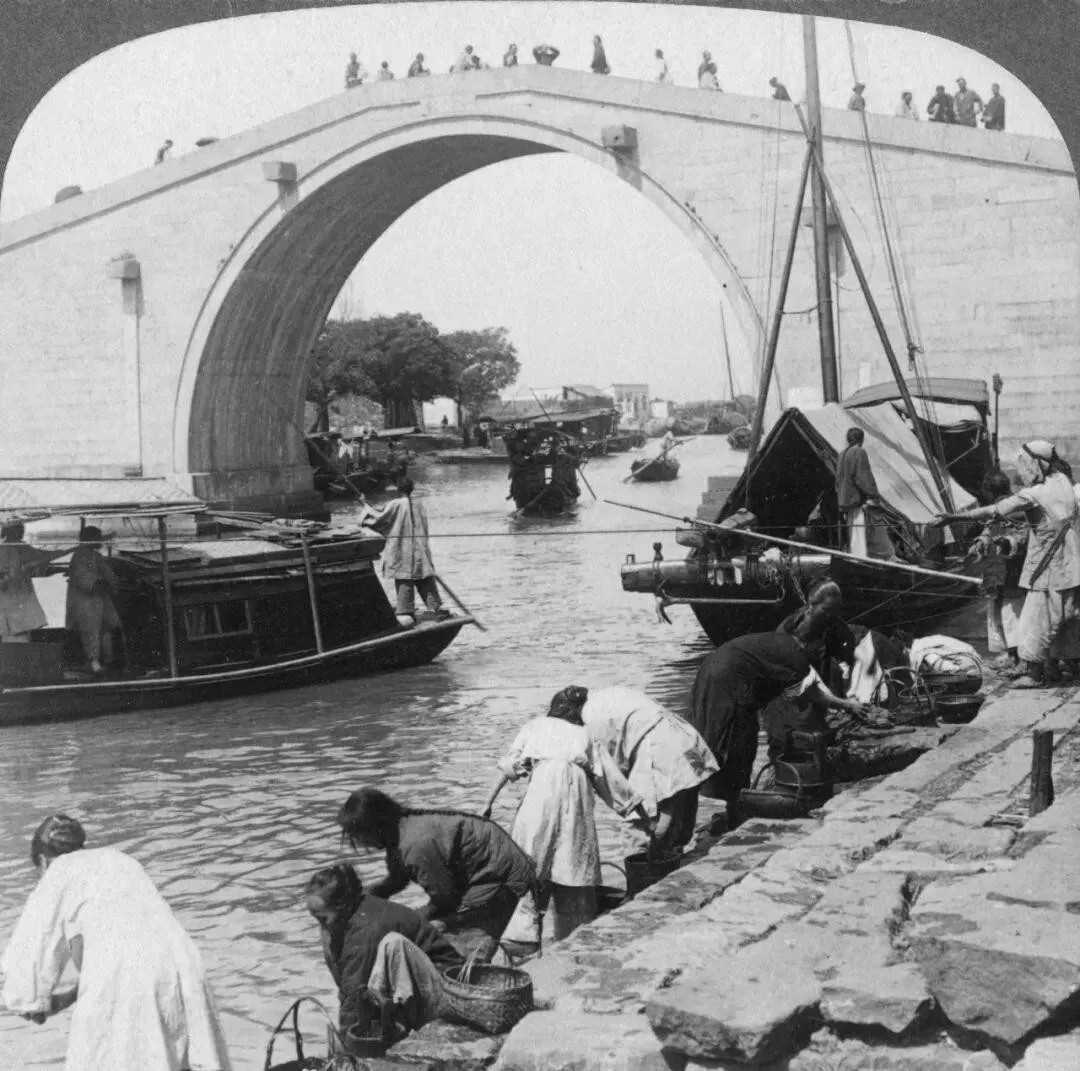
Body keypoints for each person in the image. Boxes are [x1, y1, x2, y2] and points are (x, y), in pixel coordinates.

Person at [0, 815, 231, 1071]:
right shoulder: (122, 861)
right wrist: (76, 991)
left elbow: (25, 986)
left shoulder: (58, 871)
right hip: (186, 969)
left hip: (127, 982)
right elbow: (128, 939)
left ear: (43, 861)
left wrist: (35, 1003)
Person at [483, 686, 646, 943]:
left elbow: (508, 768)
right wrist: (634, 809)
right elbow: (607, 779)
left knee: (530, 861)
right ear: (574, 710)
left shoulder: (535, 726)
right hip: (574, 797)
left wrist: (487, 804)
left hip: (542, 796)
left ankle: (521, 939)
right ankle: (571, 935)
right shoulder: (585, 734)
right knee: (573, 865)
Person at [690, 614, 867, 829]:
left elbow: (804, 689)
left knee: (723, 745)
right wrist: (846, 705)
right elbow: (809, 693)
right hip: (726, 686)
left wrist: (842, 704)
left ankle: (727, 808)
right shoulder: (794, 655)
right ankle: (733, 813)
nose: (820, 653)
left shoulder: (783, 643)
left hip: (712, 674)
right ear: (817, 641)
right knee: (734, 746)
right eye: (820, 647)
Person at [934, 441, 1080, 689]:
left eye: (1024, 465)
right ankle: (1056, 669)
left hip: (1047, 568)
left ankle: (1035, 675)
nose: (1022, 472)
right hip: (1071, 565)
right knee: (1063, 620)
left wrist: (954, 517)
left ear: (1035, 464)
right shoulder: (1063, 482)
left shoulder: (1034, 494)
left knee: (1035, 621)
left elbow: (995, 510)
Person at [337, 788, 538, 962]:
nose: (361, 843)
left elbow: (445, 900)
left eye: (360, 836)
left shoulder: (415, 844)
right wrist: (369, 897)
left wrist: (411, 919)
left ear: (377, 826)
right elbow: (398, 879)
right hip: (486, 877)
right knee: (427, 931)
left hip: (504, 882)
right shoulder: (400, 831)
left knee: (450, 950)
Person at [305, 863, 461, 1036]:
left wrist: (347, 1036)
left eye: (322, 918)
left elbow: (355, 990)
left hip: (446, 986)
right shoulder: (350, 913)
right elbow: (347, 984)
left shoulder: (366, 931)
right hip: (419, 980)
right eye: (314, 917)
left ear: (342, 906)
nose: (320, 924)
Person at [579, 685, 718, 853]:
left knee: (642, 823)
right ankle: (674, 853)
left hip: (655, 748)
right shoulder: (605, 695)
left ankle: (649, 862)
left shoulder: (588, 722)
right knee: (683, 797)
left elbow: (609, 771)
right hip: (683, 736)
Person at [361, 476, 448, 625]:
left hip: (402, 549)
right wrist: (369, 506)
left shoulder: (395, 504)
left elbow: (378, 520)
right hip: (420, 548)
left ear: (398, 489)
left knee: (404, 578)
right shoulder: (419, 504)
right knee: (424, 575)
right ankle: (434, 608)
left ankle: (407, 611)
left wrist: (364, 505)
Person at [968, 469, 1027, 671]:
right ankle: (1012, 654)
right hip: (1005, 570)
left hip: (1008, 570)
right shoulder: (1011, 505)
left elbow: (1016, 535)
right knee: (1007, 611)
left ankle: (1016, 656)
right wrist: (982, 540)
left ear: (989, 491)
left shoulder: (1008, 508)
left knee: (1009, 612)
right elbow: (991, 529)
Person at [65, 526, 120, 674]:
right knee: (91, 630)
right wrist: (101, 584)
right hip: (85, 600)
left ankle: (108, 660)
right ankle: (93, 663)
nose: (100, 541)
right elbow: (83, 578)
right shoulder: (80, 556)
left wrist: (112, 582)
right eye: (97, 537)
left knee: (108, 624)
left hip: (98, 598)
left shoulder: (95, 556)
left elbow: (109, 574)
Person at [0, 521, 66, 642]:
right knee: (17, 636)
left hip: (12, 599)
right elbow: (42, 557)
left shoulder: (10, 547)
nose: (21, 534)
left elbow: (40, 558)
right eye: (20, 531)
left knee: (13, 634)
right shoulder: (14, 548)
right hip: (16, 598)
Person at [836, 427, 893, 560]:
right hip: (858, 501)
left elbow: (838, 480)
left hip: (846, 501)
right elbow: (863, 477)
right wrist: (873, 495)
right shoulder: (858, 452)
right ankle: (864, 560)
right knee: (861, 534)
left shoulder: (841, 454)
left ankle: (857, 559)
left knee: (854, 535)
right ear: (861, 439)